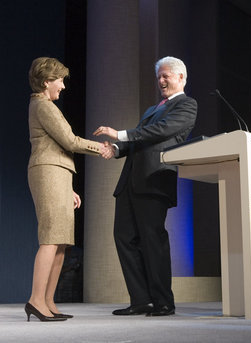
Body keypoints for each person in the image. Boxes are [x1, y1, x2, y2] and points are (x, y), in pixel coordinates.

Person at [93, 56, 197, 316]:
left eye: (166, 76)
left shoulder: (187, 105)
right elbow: (139, 140)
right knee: (124, 237)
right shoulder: (152, 109)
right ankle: (141, 300)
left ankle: (163, 301)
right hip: (131, 180)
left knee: (153, 240)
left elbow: (161, 131)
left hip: (154, 179)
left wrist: (120, 134)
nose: (161, 81)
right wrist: (116, 148)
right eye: (159, 76)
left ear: (181, 77)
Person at [26, 57, 113, 322]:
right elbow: (69, 141)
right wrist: (102, 148)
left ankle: (48, 300)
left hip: (58, 174)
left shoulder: (47, 106)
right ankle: (35, 300)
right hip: (48, 172)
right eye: (59, 80)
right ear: (46, 82)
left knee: (62, 242)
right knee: (51, 237)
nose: (63, 86)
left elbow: (59, 148)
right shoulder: (43, 106)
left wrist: (69, 188)